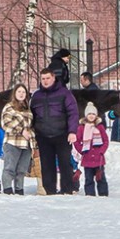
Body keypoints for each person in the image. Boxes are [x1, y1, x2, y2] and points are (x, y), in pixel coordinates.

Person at [30, 67, 80, 195]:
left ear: (53, 78)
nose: (45, 81)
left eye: (48, 78)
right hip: (43, 136)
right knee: (46, 165)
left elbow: (73, 113)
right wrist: (33, 131)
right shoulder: (36, 95)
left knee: (65, 164)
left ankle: (67, 190)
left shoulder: (64, 93)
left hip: (62, 134)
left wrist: (72, 131)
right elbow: (31, 115)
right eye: (43, 79)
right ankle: (49, 191)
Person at [0, 84, 34, 195]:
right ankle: (7, 189)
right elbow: (6, 124)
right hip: (12, 142)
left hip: (26, 143)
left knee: (22, 170)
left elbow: (31, 125)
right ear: (15, 93)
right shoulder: (9, 107)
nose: (21, 94)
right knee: (10, 168)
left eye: (23, 92)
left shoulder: (28, 109)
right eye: (19, 91)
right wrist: (21, 130)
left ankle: (19, 190)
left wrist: (30, 134)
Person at [76, 102, 109, 196]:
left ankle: (103, 194)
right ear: (86, 115)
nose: (91, 116)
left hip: (99, 158)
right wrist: (81, 150)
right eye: (89, 114)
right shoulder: (81, 128)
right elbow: (77, 141)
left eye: (93, 114)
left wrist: (102, 150)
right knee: (88, 178)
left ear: (96, 115)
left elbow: (105, 140)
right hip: (87, 158)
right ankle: (90, 194)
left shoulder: (100, 127)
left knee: (101, 177)